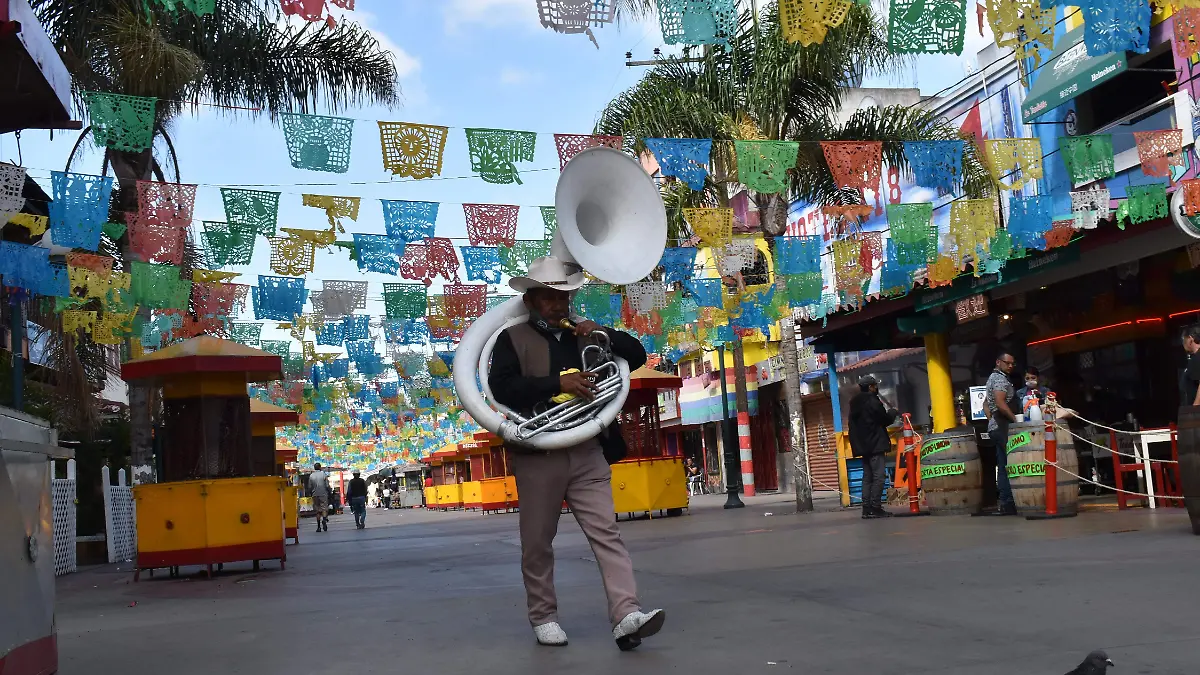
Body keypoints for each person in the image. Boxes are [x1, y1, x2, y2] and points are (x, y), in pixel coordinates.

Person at [489, 256, 665, 651]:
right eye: (548, 297)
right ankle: (544, 616)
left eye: (563, 295)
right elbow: (501, 389)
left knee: (608, 533)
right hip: (538, 451)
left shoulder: (585, 335)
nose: (558, 304)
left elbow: (635, 355)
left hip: (587, 447)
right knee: (537, 541)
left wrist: (601, 332)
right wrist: (558, 383)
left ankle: (626, 614)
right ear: (531, 299)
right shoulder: (510, 338)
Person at [848, 375, 899, 519]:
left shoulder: (854, 403)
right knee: (879, 476)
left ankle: (866, 509)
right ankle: (876, 507)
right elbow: (884, 419)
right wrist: (893, 412)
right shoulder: (872, 401)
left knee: (867, 477)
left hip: (863, 446)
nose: (877, 387)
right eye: (875, 385)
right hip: (875, 444)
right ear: (871, 386)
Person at [984, 353, 1018, 516]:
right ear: (998, 362)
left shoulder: (993, 378)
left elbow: (985, 403)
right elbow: (999, 402)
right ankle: (1008, 501)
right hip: (1002, 426)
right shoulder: (999, 379)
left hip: (995, 426)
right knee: (1009, 464)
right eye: (1007, 363)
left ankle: (1006, 502)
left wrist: (991, 419)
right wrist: (1015, 420)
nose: (1010, 366)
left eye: (1013, 364)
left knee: (1003, 464)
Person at [1180, 324, 1200, 407]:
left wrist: (1196, 405)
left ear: (1191, 339)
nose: (1183, 343)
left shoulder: (1197, 357)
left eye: (1184, 340)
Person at [308, 463, 330, 532]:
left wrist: (311, 492)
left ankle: (318, 527)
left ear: (314, 468)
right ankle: (324, 520)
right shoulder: (323, 474)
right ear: (320, 467)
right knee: (324, 508)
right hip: (323, 494)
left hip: (315, 494)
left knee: (317, 510)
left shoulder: (311, 476)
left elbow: (309, 487)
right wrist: (329, 492)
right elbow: (327, 485)